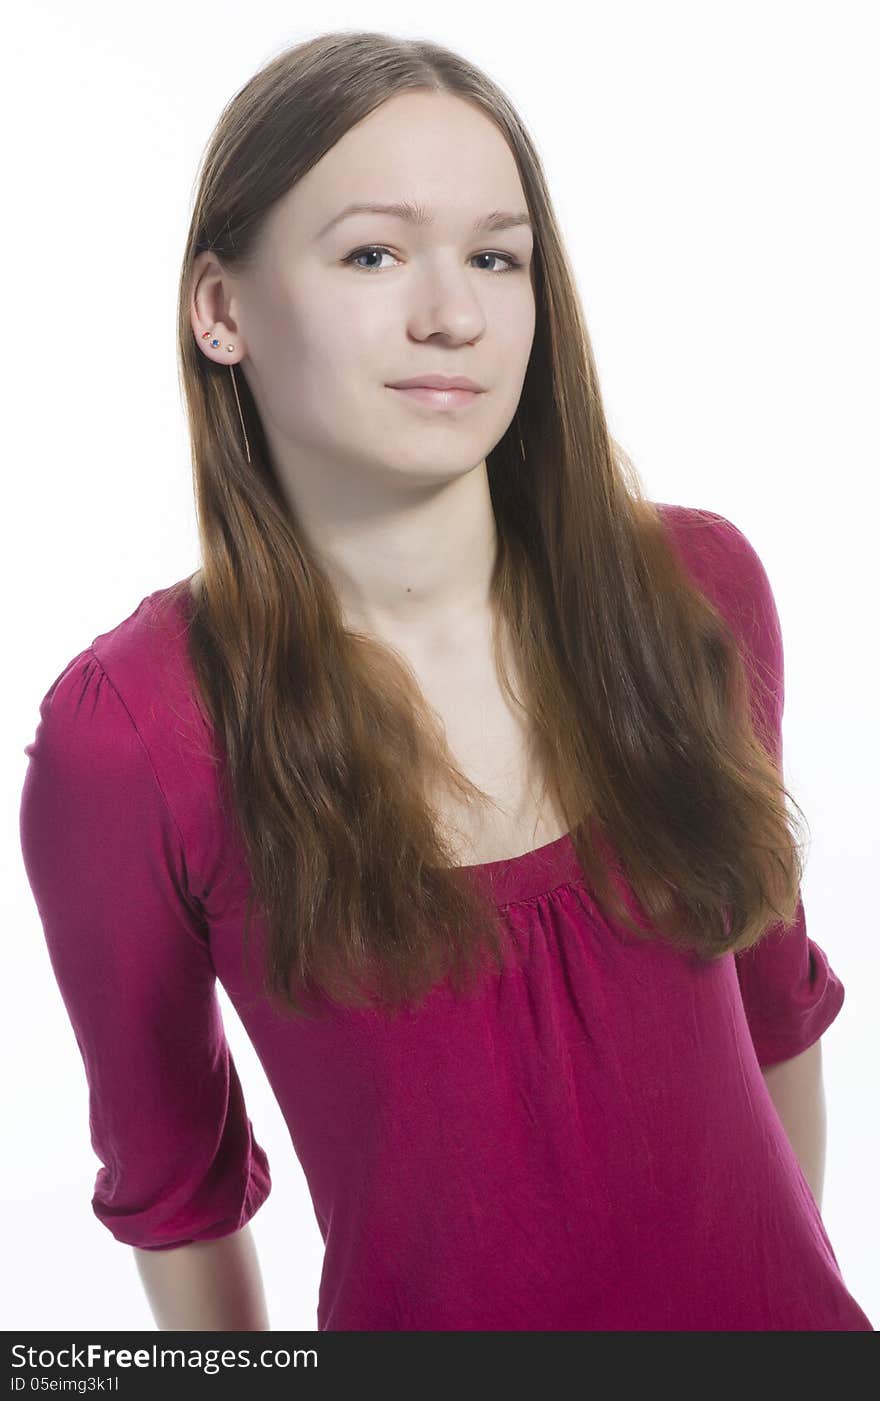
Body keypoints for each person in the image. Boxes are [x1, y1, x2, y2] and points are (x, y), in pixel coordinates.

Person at [18, 31, 873, 1331]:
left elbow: (777, 1015)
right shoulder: (134, 736)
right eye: (372, 251)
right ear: (221, 310)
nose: (454, 313)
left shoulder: (695, 591)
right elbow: (176, 1191)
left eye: (496, 254)